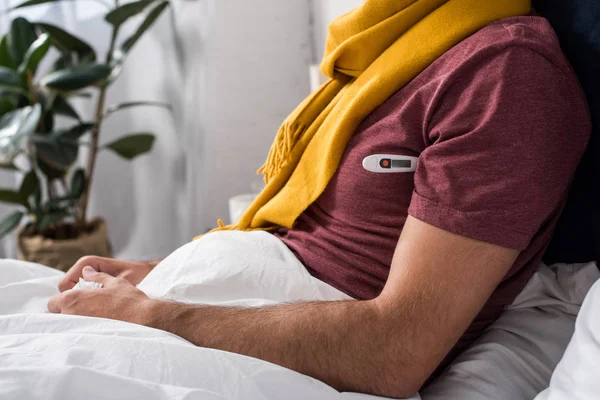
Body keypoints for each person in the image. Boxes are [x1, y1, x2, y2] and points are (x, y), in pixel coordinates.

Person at [47, 2, 590, 399]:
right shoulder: (390, 45)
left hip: (254, 348)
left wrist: (149, 316)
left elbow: (396, 350)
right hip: (202, 309)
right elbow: (315, 235)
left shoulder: (508, 76)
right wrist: (155, 270)